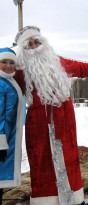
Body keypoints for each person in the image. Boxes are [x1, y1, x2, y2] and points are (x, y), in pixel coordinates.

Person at [14, 26, 88, 205]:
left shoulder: (57, 61)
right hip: (38, 127)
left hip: (64, 122)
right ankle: (46, 200)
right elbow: (5, 78)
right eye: (29, 44)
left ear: (43, 43)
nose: (34, 47)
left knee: (69, 158)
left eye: (37, 42)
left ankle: (73, 198)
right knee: (42, 164)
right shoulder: (20, 69)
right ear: (23, 49)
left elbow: (79, 68)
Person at [0, 48, 23, 205]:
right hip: (3, 138)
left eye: (11, 62)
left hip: (7, 136)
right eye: (4, 62)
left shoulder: (8, 80)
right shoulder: (1, 83)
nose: (8, 66)